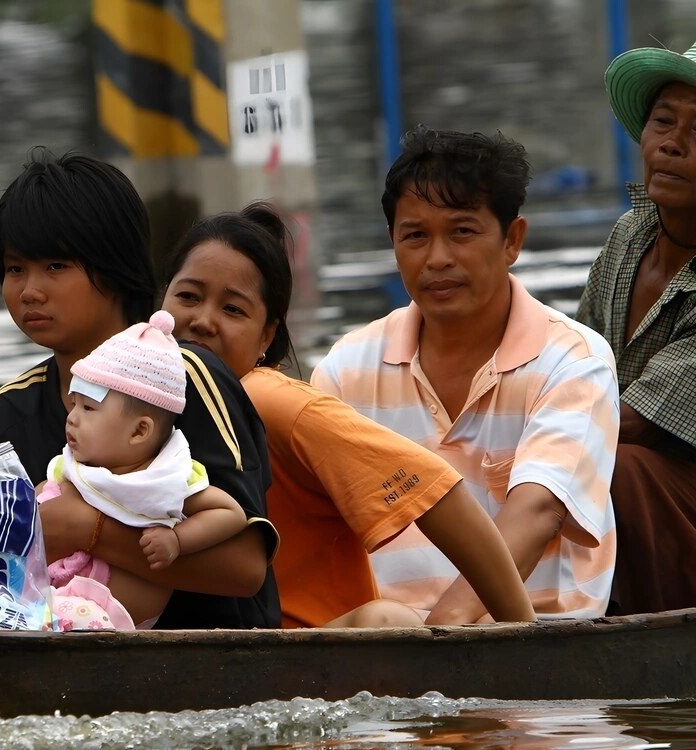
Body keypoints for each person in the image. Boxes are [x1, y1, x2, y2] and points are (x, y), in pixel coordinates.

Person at [160, 202, 535, 627]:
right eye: (188, 297)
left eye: (233, 310)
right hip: (197, 652)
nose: (203, 321)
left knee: (387, 621)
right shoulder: (127, 404)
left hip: (312, 656)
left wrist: (522, 638)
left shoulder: (269, 400)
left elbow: (440, 494)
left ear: (267, 335)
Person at [311, 127, 620, 621]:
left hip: (536, 644)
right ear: (393, 242)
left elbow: (537, 511)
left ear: (511, 240)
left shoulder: (573, 361)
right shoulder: (346, 370)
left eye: (462, 231)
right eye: (415, 235)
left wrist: (442, 639)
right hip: (384, 641)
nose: (438, 259)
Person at [0, 149, 281, 629]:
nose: (29, 290)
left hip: (216, 661)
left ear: (115, 268)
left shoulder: (184, 378)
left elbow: (245, 569)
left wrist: (87, 528)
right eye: (15, 269)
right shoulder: (6, 414)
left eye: (56, 266)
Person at [576, 41, 696, 615]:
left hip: (668, 497)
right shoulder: (630, 235)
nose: (672, 143)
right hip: (618, 474)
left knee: (613, 467)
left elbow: (629, 427)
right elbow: (570, 362)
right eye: (663, 122)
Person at [38, 310, 248, 627]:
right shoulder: (74, 467)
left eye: (89, 408)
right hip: (58, 598)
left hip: (108, 618)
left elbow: (231, 513)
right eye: (75, 404)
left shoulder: (166, 478)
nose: (72, 418)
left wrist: (178, 540)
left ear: (139, 431)